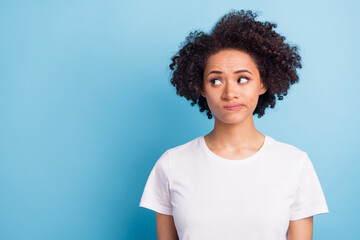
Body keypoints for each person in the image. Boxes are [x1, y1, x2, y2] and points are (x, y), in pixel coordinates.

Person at [139, 9, 329, 240]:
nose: (230, 93)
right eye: (216, 80)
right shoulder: (171, 164)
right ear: (200, 87)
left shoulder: (294, 164)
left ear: (263, 84)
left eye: (243, 79)